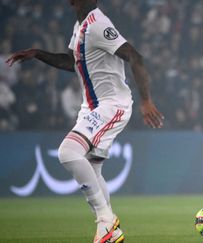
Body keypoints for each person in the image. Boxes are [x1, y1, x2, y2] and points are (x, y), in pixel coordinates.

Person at [6, 0, 164, 242]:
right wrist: (38, 54)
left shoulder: (98, 24)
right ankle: (110, 229)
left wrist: (146, 100)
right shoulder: (80, 26)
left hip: (113, 104)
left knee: (68, 152)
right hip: (91, 107)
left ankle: (106, 222)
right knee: (91, 167)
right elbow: (71, 62)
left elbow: (134, 55)